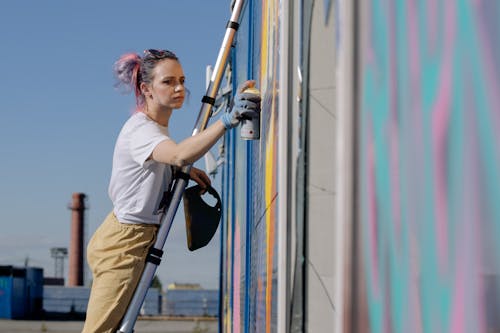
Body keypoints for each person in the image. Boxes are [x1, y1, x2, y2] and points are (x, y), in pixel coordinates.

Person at [82, 49, 260, 333]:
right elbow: (178, 154)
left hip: (133, 237)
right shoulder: (141, 131)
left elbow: (165, 165)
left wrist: (183, 173)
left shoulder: (156, 129)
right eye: (168, 82)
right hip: (124, 243)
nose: (179, 88)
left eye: (182, 80)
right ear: (146, 89)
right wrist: (226, 121)